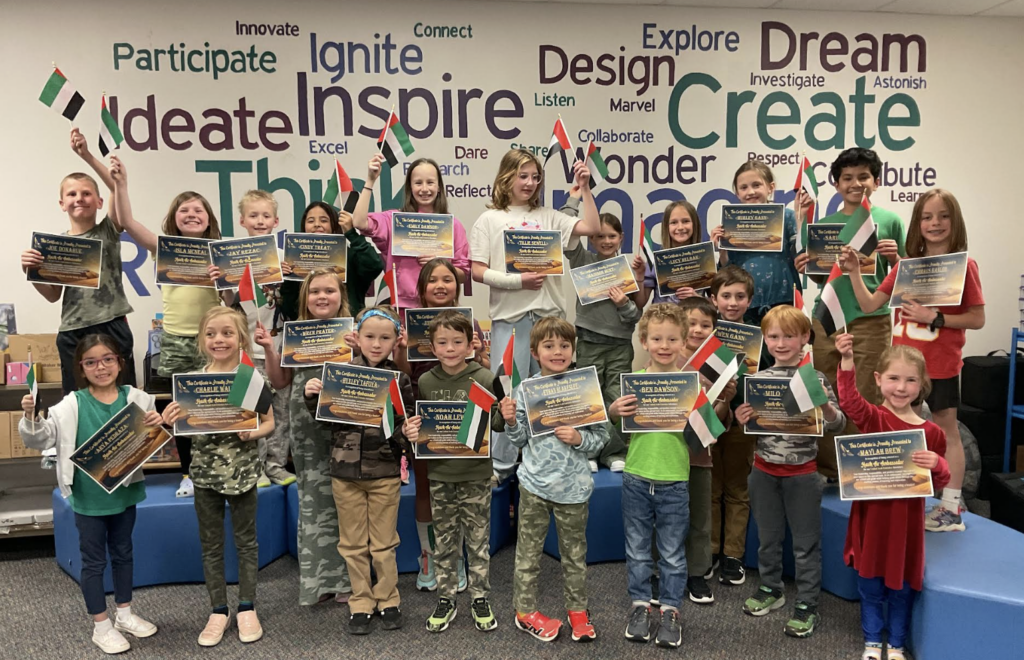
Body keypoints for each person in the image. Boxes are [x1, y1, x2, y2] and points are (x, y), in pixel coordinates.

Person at [841, 189, 984, 532]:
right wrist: (854, 273)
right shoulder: (906, 266)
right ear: (917, 224)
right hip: (902, 368)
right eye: (927, 217)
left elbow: (976, 319)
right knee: (895, 428)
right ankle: (898, 493)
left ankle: (951, 508)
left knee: (946, 431)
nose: (935, 223)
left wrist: (935, 317)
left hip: (941, 366)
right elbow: (871, 304)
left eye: (943, 216)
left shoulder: (965, 266)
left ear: (955, 221)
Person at [19, 334, 159, 654]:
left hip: (124, 491)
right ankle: (101, 625)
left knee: (124, 552)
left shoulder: (138, 398)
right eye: (91, 362)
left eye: (108, 359)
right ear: (81, 368)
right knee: (94, 561)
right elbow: (41, 439)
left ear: (119, 363)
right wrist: (30, 416)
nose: (101, 367)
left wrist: (156, 424)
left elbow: (148, 441)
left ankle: (124, 613)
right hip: (88, 496)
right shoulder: (70, 404)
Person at [469, 149, 600, 482]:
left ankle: (546, 461)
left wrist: (585, 187)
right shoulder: (489, 220)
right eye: (522, 175)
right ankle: (501, 468)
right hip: (509, 321)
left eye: (535, 177)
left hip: (548, 321)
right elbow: (477, 271)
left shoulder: (550, 216)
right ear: (506, 176)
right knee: (507, 394)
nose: (529, 183)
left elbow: (592, 226)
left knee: (553, 391)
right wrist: (519, 281)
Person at [108, 155, 223, 499]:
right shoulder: (164, 249)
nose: (191, 214)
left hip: (212, 343)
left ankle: (216, 468)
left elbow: (233, 302)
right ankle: (188, 473)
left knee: (214, 409)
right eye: (184, 210)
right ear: (174, 218)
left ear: (209, 220)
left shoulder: (221, 252)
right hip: (174, 341)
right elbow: (126, 221)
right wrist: (121, 184)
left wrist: (224, 282)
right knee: (180, 412)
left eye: (198, 210)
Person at [160, 308, 275, 647]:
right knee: (211, 545)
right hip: (205, 476)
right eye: (211, 334)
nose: (218, 340)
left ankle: (247, 607)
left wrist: (252, 434)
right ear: (201, 340)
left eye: (227, 333)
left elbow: (269, 422)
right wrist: (171, 419)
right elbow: (182, 428)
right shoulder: (191, 382)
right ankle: (218, 609)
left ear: (240, 338)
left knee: (246, 542)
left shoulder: (251, 378)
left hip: (243, 474)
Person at [834, 335, 950, 660]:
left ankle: (896, 644)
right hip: (872, 519)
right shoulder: (874, 418)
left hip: (907, 523)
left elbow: (941, 479)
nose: (901, 387)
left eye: (911, 380)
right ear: (879, 380)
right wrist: (846, 362)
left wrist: (937, 464)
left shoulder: (932, 433)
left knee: (901, 588)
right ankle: (872, 642)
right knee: (870, 585)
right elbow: (850, 402)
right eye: (894, 378)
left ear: (922, 384)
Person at [734, 306, 845, 638]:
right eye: (773, 336)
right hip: (763, 472)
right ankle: (772, 588)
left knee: (805, 544)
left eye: (789, 336)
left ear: (804, 339)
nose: (781, 343)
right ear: (765, 340)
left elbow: (838, 423)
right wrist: (743, 419)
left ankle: (808, 602)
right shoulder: (759, 380)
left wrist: (823, 405)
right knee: (768, 539)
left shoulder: (815, 378)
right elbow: (755, 429)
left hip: (803, 474)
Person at [304, 305, 414, 635]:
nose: (376, 344)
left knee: (383, 543)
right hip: (345, 473)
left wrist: (407, 431)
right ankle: (361, 601)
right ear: (357, 337)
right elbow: (324, 419)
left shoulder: (400, 379)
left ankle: (388, 598)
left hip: (384, 472)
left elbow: (404, 422)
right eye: (369, 336)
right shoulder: (339, 375)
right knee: (352, 544)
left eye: (385, 338)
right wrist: (313, 397)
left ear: (396, 340)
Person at [503, 317, 609, 643]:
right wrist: (509, 421)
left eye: (564, 345)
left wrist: (579, 439)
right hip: (534, 486)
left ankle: (578, 610)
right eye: (549, 346)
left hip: (574, 488)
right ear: (535, 352)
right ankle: (525, 611)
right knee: (528, 555)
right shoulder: (525, 391)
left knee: (575, 557)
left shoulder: (584, 388)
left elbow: (601, 437)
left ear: (572, 349)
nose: (558, 351)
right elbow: (519, 440)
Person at [392, 257, 490, 593]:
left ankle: (457, 558)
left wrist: (480, 353)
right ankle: (429, 556)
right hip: (425, 414)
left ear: (457, 286)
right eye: (432, 280)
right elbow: (403, 374)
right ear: (420, 289)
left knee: (461, 491)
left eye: (447, 279)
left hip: (463, 414)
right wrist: (402, 349)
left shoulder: (470, 324)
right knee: (426, 488)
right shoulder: (407, 323)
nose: (440, 285)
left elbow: (484, 371)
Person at [256, 269, 352, 606]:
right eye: (315, 292)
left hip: (345, 424)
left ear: (341, 295)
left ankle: (347, 580)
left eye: (329, 290)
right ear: (305, 298)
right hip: (305, 424)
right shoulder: (293, 333)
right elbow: (281, 382)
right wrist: (270, 347)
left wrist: (360, 353)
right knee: (313, 498)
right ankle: (317, 582)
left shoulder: (352, 332)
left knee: (347, 499)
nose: (322, 297)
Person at [402, 310, 503, 633]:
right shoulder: (427, 381)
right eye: (442, 342)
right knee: (444, 541)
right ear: (431, 347)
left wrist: (508, 414)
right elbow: (424, 427)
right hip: (441, 474)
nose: (450, 348)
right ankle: (446, 597)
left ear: (470, 344)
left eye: (457, 341)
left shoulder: (484, 378)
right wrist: (413, 431)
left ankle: (479, 597)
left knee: (477, 541)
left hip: (475, 473)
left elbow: (497, 423)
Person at [808, 148, 905, 478]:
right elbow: (822, 278)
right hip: (826, 320)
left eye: (863, 176)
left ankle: (857, 469)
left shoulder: (890, 221)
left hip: (871, 322)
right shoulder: (823, 225)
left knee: (863, 395)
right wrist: (808, 266)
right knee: (824, 392)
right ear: (836, 184)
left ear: (876, 182)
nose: (855, 183)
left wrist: (894, 260)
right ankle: (826, 469)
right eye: (847, 178)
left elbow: (903, 279)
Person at [20, 129, 135, 396]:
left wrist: (86, 155)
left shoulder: (108, 230)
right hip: (73, 330)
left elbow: (115, 185)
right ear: (62, 204)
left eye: (85, 193)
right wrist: (30, 271)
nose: (79, 198)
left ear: (99, 201)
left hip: (111, 324)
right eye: (72, 194)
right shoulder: (54, 247)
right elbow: (52, 296)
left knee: (121, 399)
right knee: (77, 402)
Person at [610, 304, 690, 649]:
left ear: (683, 342)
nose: (664, 345)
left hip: (675, 479)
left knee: (672, 553)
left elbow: (707, 431)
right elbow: (616, 423)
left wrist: (715, 405)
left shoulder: (691, 386)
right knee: (638, 551)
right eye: (656, 338)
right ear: (644, 340)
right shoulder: (634, 384)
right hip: (637, 476)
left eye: (672, 338)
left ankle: (670, 610)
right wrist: (614, 411)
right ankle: (640, 606)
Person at [212, 190, 295, 489]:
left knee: (281, 412)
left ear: (276, 221)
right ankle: (256, 467)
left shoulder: (286, 257)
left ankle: (275, 464)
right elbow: (229, 303)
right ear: (242, 220)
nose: (260, 221)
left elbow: (298, 300)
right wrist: (221, 282)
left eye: (265, 216)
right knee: (254, 409)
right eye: (253, 215)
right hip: (247, 349)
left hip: (280, 348)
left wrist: (291, 276)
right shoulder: (230, 257)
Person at [564, 210, 639, 472]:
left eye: (612, 236)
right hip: (588, 342)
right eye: (599, 236)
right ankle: (591, 451)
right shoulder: (583, 260)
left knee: (617, 399)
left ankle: (614, 452)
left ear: (621, 238)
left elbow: (635, 317)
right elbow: (566, 229)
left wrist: (624, 303)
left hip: (620, 345)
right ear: (590, 239)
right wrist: (577, 194)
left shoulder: (629, 271)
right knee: (590, 399)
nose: (606, 241)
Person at [353, 155, 471, 313]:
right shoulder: (395, 221)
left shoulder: (453, 226)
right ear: (410, 187)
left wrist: (441, 265)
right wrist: (370, 180)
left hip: (440, 309)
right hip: (400, 307)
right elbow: (359, 222)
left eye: (430, 182)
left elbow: (463, 274)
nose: (424, 189)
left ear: (439, 187)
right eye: (418, 183)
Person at [677, 297, 735, 605]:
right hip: (668, 455)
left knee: (699, 517)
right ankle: (664, 570)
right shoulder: (668, 357)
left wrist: (725, 399)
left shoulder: (719, 365)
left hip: (700, 453)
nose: (697, 330)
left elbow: (721, 421)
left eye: (706, 325)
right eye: (692, 323)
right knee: (667, 518)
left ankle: (696, 573)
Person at [708, 265, 757, 586]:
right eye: (726, 296)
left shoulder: (758, 341)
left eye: (740, 296)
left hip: (742, 424)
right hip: (709, 422)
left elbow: (763, 382)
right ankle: (710, 550)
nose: (733, 302)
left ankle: (732, 555)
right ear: (713, 300)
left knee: (738, 489)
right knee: (711, 489)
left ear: (750, 301)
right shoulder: (705, 337)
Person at [710, 160, 806, 326]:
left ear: (770, 188)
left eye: (757, 185)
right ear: (737, 193)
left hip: (783, 298)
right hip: (745, 303)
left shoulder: (787, 216)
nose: (751, 192)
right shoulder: (732, 223)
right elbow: (728, 270)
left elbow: (800, 256)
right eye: (744, 187)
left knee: (783, 347)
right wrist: (722, 251)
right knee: (748, 351)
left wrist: (800, 220)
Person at [280, 201, 384, 321]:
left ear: (334, 225)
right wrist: (287, 279)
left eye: (324, 220)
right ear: (304, 226)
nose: (317, 224)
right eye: (310, 221)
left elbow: (374, 266)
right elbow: (288, 307)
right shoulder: (295, 262)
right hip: (308, 331)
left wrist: (352, 234)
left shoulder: (349, 255)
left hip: (348, 329)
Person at [634, 200, 707, 308]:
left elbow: (716, 303)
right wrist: (640, 276)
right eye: (674, 222)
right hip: (662, 322)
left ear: (694, 224)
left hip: (692, 322)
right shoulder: (656, 261)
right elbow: (640, 303)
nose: (680, 227)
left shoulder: (706, 258)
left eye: (686, 221)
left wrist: (697, 298)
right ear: (666, 227)